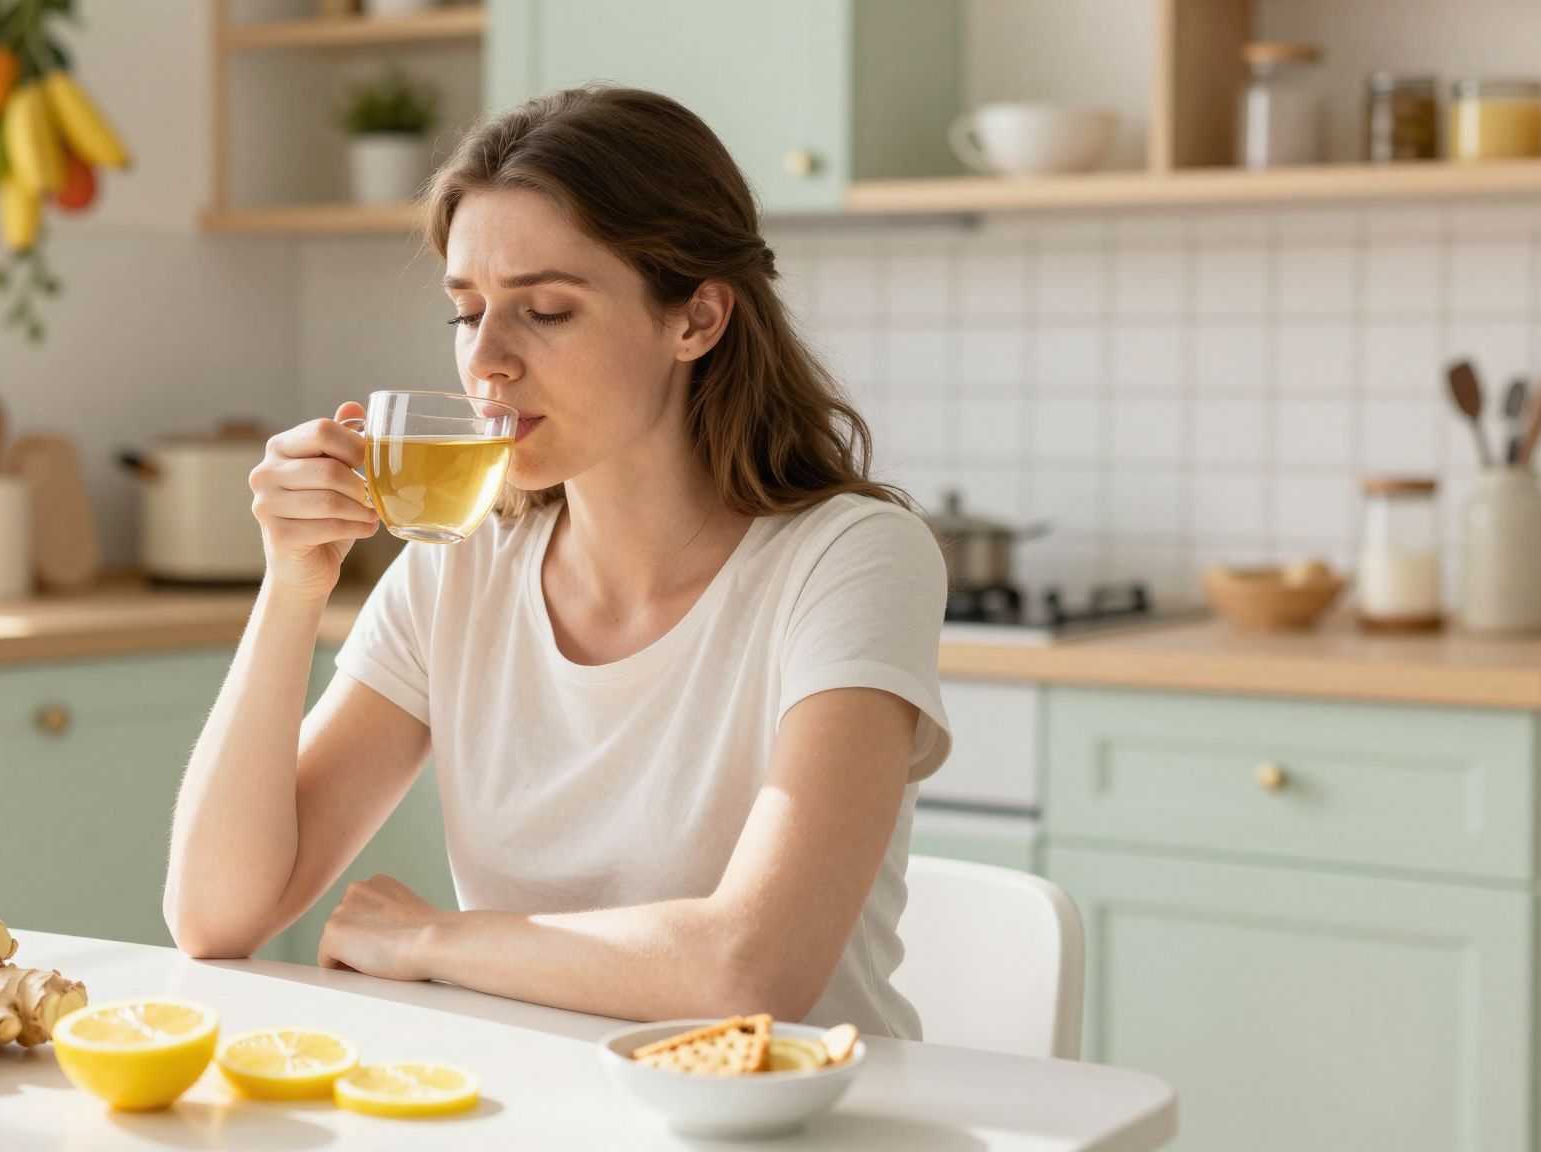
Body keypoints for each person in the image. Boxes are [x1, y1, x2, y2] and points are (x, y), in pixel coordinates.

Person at [163, 85, 951, 1039]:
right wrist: (292, 585)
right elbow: (214, 917)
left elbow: (750, 969)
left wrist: (432, 941)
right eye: (467, 312)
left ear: (697, 319)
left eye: (545, 310)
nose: (487, 359)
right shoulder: (460, 568)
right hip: (535, 1099)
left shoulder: (850, 559)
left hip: (797, 1108)